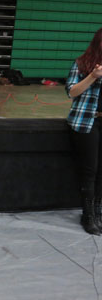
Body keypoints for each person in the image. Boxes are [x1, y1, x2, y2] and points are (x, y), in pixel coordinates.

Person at [66, 28, 102, 235]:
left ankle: (98, 213)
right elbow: (71, 92)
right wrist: (92, 76)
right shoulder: (81, 64)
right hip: (86, 122)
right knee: (90, 170)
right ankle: (88, 215)